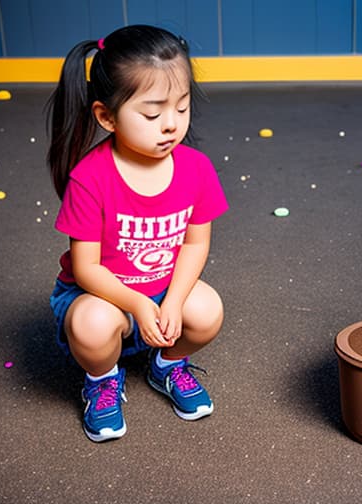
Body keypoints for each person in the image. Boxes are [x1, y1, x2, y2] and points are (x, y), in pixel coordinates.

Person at [47, 25, 229, 442]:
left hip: (162, 292)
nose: (170, 125)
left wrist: (174, 301)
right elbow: (86, 268)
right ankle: (101, 379)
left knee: (207, 312)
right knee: (93, 323)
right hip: (101, 296)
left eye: (182, 109)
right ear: (106, 116)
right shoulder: (90, 179)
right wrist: (138, 306)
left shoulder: (196, 169)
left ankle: (166, 365)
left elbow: (196, 243)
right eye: (152, 114)